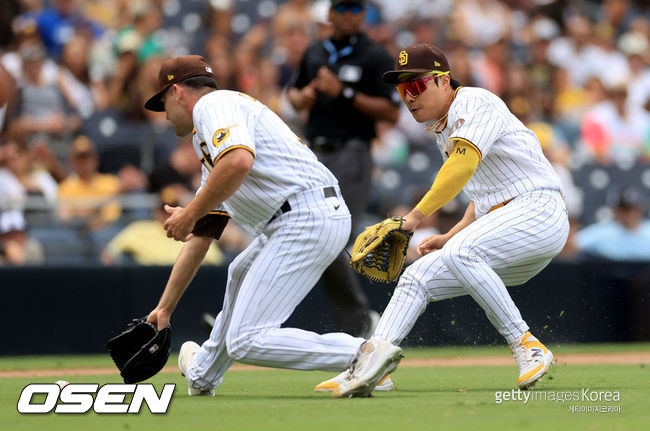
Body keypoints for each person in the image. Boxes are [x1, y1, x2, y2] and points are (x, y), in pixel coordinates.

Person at [320, 43, 570, 398]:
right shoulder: (444, 126)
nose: (409, 96)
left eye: (417, 85)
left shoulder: (473, 102)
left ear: (442, 81)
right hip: (509, 229)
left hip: (539, 212)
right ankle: (371, 366)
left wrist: (414, 218)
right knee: (416, 277)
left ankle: (526, 344)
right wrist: (452, 233)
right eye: (402, 89)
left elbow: (462, 166)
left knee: (461, 252)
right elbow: (481, 193)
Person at [143, 55, 375, 396]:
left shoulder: (213, 105)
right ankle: (203, 373)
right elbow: (204, 234)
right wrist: (165, 307)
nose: (162, 113)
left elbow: (238, 161)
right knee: (239, 271)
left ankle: (362, 354)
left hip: (304, 215)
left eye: (162, 100)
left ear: (177, 91)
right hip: (300, 216)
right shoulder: (212, 135)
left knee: (246, 340)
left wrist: (189, 212)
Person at [287, 0, 400, 337]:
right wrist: (302, 97)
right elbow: (293, 93)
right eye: (343, 8)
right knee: (313, 238)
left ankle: (360, 324)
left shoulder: (374, 55)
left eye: (355, 9)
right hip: (314, 155)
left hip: (352, 153)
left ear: (363, 15)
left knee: (330, 239)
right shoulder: (316, 51)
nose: (349, 15)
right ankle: (362, 322)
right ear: (331, 14)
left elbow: (392, 113)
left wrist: (345, 93)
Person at [575, 187, 650, 261]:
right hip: (609, 271)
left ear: (640, 209)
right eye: (623, 209)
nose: (628, 214)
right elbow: (572, 244)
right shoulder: (602, 231)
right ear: (615, 211)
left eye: (631, 209)